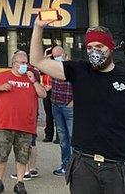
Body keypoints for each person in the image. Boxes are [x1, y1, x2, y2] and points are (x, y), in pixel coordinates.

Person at [29, 21, 125, 194]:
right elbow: (37, 60)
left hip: (118, 165)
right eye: (89, 47)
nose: (94, 51)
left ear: (111, 47)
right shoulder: (79, 70)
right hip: (84, 164)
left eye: (99, 46)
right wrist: (38, 27)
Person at [0, 50, 47, 194]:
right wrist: (1, 87)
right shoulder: (3, 76)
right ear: (14, 64)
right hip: (5, 123)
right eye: (22, 63)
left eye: (26, 63)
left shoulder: (31, 78)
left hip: (26, 125)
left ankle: (20, 182)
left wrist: (34, 81)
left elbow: (43, 94)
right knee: (1, 154)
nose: (25, 66)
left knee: (22, 155)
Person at [48, 46, 74, 177]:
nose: (56, 57)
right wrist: (48, 57)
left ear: (65, 54)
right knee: (63, 138)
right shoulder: (53, 67)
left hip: (69, 108)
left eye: (58, 55)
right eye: (54, 55)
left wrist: (73, 102)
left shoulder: (72, 68)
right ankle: (65, 165)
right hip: (56, 106)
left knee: (72, 137)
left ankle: (75, 167)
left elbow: (81, 85)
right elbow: (38, 64)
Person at [41, 48, 56, 143]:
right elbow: (39, 67)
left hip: (55, 91)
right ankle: (48, 135)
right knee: (48, 115)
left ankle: (59, 136)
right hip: (46, 91)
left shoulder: (57, 66)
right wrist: (44, 56)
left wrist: (52, 86)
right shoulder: (45, 67)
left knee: (58, 115)